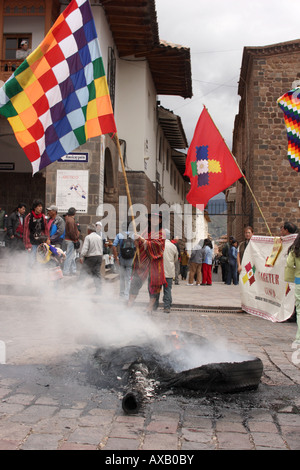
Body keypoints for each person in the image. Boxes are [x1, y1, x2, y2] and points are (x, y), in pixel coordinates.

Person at [128, 212, 166, 313]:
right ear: (149, 219)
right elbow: (141, 244)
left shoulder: (162, 232)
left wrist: (143, 240)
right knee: (135, 282)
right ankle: (130, 303)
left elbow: (158, 245)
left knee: (153, 285)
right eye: (152, 218)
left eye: (156, 218)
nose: (154, 219)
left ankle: (150, 306)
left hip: (154, 263)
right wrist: (137, 241)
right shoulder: (145, 231)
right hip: (143, 262)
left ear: (160, 220)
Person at [153, 230, 178, 313]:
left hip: (158, 272)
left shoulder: (157, 245)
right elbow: (175, 259)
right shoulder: (173, 246)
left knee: (157, 290)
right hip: (169, 271)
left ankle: (154, 306)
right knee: (167, 290)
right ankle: (167, 307)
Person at [112, 221, 135, 300]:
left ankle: (121, 293)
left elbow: (114, 246)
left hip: (121, 258)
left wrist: (116, 258)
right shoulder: (133, 235)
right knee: (128, 278)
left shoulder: (119, 235)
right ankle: (126, 294)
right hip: (130, 259)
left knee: (121, 277)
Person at [23, 199, 49, 266]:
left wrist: (47, 239)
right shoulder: (29, 217)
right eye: (39, 206)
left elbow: (46, 229)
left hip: (41, 242)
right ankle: (29, 275)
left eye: (41, 206)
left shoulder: (43, 217)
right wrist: (27, 244)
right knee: (31, 261)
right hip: (32, 242)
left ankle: (38, 275)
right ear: (35, 207)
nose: (41, 208)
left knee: (40, 262)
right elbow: (26, 231)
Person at [79, 224, 103, 294]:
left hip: (91, 257)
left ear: (89, 230)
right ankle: (99, 290)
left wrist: (82, 256)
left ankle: (78, 288)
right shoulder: (99, 237)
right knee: (97, 274)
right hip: (99, 257)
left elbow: (85, 248)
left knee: (83, 272)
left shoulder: (88, 237)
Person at [285, 233, 300, 343]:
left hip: (298, 280)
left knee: (299, 310)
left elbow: (289, 264)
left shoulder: (295, 250)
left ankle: (299, 336)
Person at [63, 207, 79, 276]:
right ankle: (66, 271)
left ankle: (73, 269)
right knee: (69, 256)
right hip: (71, 240)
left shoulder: (68, 219)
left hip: (68, 239)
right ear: (74, 213)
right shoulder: (71, 220)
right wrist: (75, 238)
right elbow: (72, 232)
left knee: (72, 256)